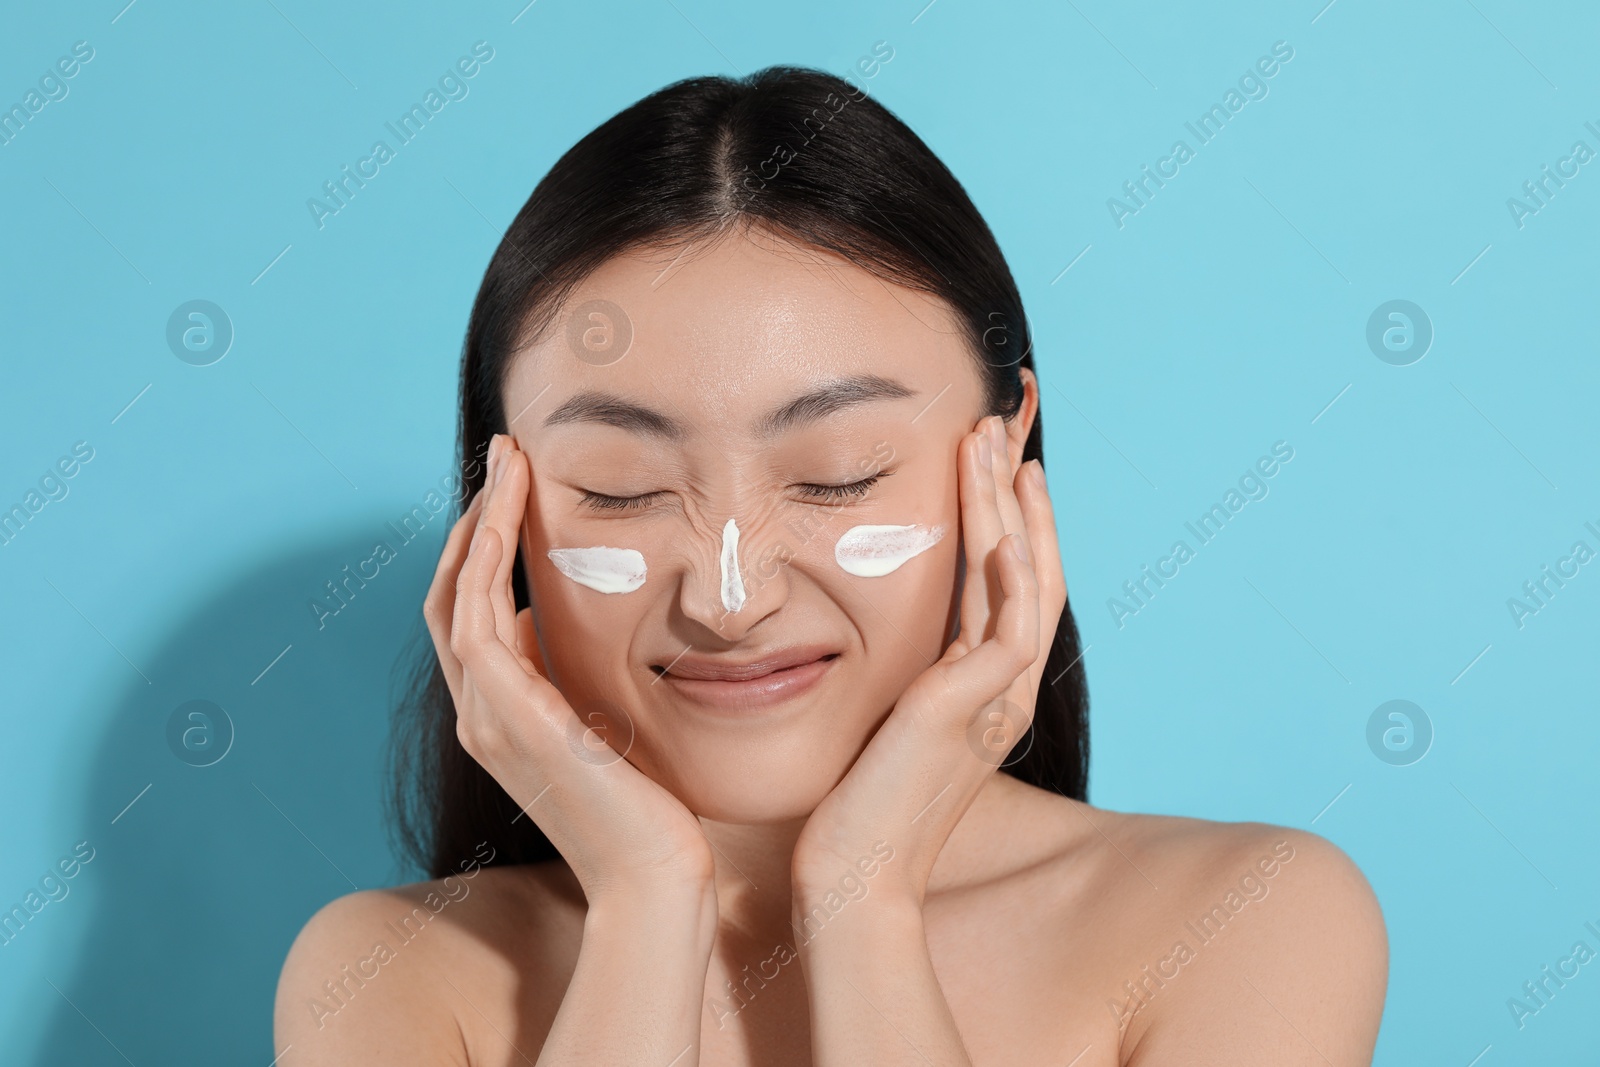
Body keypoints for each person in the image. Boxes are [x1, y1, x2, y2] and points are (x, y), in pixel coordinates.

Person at [275, 66, 1387, 1065]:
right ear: (498, 516)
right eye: (619, 486)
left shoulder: (1246, 919)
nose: (729, 597)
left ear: (1000, 459)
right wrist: (645, 903)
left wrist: (863, 895)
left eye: (838, 474)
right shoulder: (390, 975)